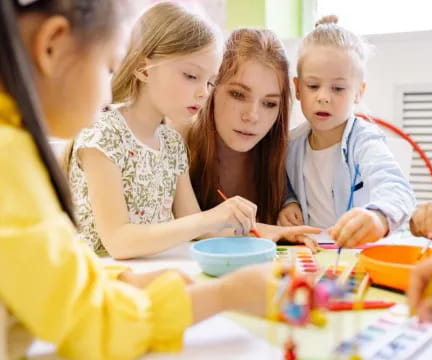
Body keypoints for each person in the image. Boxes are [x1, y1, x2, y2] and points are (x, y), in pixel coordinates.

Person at [0, 1, 277, 358]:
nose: (106, 95)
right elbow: (96, 324)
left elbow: (47, 273)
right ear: (52, 45)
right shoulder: (11, 158)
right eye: (110, 66)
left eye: (208, 81)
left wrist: (123, 281)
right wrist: (225, 295)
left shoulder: (170, 140)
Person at [67, 2, 260, 259]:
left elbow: (196, 226)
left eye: (210, 81)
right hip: (104, 283)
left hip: (153, 275)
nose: (204, 92)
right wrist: (210, 218)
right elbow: (118, 241)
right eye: (191, 75)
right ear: (143, 69)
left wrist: (273, 232)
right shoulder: (103, 135)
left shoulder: (171, 143)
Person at [278, 15, 415, 248]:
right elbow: (283, 183)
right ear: (298, 88)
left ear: (358, 92)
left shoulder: (365, 141)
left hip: (358, 252)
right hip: (313, 251)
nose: (323, 97)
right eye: (313, 86)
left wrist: (378, 217)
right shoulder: (291, 144)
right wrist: (288, 202)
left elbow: (397, 189)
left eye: (338, 88)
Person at [188, 28, 322, 251]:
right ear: (211, 87)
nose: (252, 116)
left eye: (269, 103)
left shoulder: (285, 160)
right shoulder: (177, 145)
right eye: (238, 95)